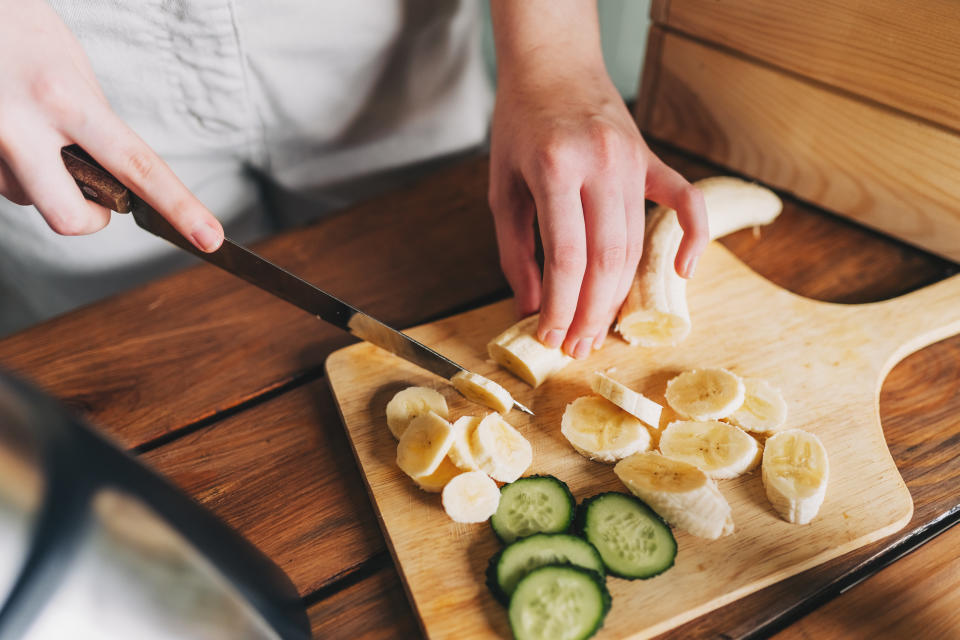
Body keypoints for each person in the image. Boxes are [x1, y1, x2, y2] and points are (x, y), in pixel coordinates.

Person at [0, 0, 708, 356]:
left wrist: (558, 56)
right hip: (59, 54)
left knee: (451, 276)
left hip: (374, 38)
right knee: (122, 355)